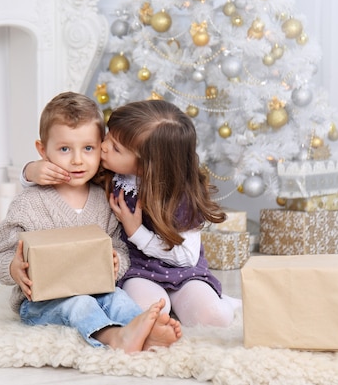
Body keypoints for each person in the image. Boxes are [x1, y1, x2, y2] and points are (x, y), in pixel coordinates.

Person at [0, 92, 182, 353]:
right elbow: (0, 255)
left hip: (97, 288)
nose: (78, 160)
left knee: (118, 298)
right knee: (80, 304)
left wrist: (117, 261)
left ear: (101, 146)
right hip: (41, 301)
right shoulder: (29, 203)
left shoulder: (103, 198)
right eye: (64, 149)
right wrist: (14, 268)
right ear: (43, 151)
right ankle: (114, 337)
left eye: (88, 148)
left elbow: (119, 247)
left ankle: (144, 330)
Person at [22, 99, 241, 327]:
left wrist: (136, 231)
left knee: (215, 318)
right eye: (108, 137)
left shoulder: (180, 195)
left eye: (115, 147)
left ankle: (222, 301)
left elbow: (187, 257)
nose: (103, 147)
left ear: (146, 165)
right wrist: (30, 171)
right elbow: (60, 172)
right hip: (136, 271)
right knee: (146, 314)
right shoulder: (110, 170)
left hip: (184, 272)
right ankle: (170, 305)